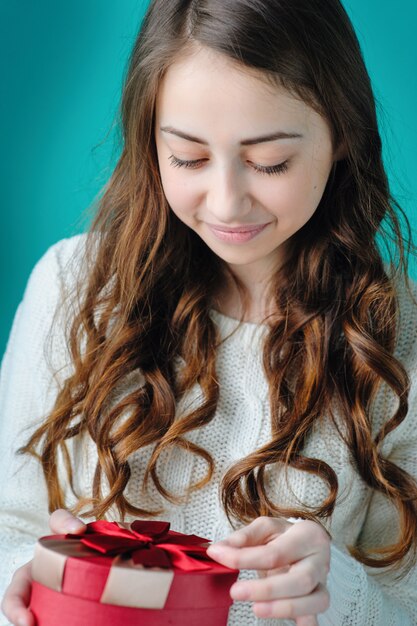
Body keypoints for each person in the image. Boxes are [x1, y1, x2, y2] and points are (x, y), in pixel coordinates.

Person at [1, 0, 416, 624]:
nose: (226, 203)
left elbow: (407, 596)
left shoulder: (399, 334)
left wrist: (342, 593)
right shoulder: (72, 286)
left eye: (269, 162)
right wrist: (25, 585)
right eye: (188, 158)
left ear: (343, 137)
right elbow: (11, 523)